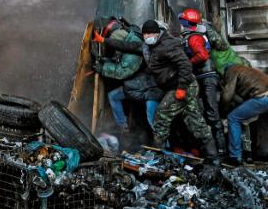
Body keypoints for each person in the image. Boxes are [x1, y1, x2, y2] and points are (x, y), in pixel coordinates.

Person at [94, 19, 219, 163]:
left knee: (161, 117)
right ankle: (213, 158)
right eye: (145, 34)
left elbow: (185, 65)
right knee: (195, 121)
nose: (148, 36)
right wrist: (104, 40)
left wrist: (181, 88)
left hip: (182, 87)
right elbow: (128, 46)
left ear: (158, 33)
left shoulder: (168, 45)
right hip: (176, 88)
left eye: (151, 33)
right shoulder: (147, 47)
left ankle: (158, 156)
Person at [93, 18, 162, 132]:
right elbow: (123, 46)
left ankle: (163, 147)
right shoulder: (133, 38)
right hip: (143, 83)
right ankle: (123, 127)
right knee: (113, 96)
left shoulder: (136, 51)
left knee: (154, 121)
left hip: (150, 88)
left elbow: (122, 72)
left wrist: (103, 68)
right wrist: (103, 48)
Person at [178, 8, 226, 155]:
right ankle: (211, 149)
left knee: (211, 113)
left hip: (207, 77)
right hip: (204, 76)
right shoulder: (194, 35)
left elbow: (202, 55)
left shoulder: (194, 37)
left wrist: (189, 63)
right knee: (205, 112)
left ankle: (221, 150)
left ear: (185, 23)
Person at [220, 64, 268, 165]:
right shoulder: (249, 70)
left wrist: (222, 109)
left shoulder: (231, 71)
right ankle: (264, 153)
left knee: (233, 118)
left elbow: (227, 96)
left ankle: (235, 157)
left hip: (262, 97)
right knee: (263, 123)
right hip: (265, 95)